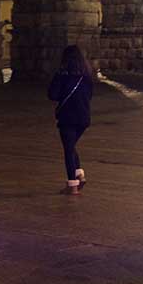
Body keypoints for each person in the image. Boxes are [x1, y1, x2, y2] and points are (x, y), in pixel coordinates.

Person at [48, 45, 93, 195]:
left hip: (67, 117)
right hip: (84, 118)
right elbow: (90, 95)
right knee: (71, 145)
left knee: (68, 149)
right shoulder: (86, 76)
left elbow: (52, 94)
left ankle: (72, 185)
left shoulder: (62, 74)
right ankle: (79, 174)